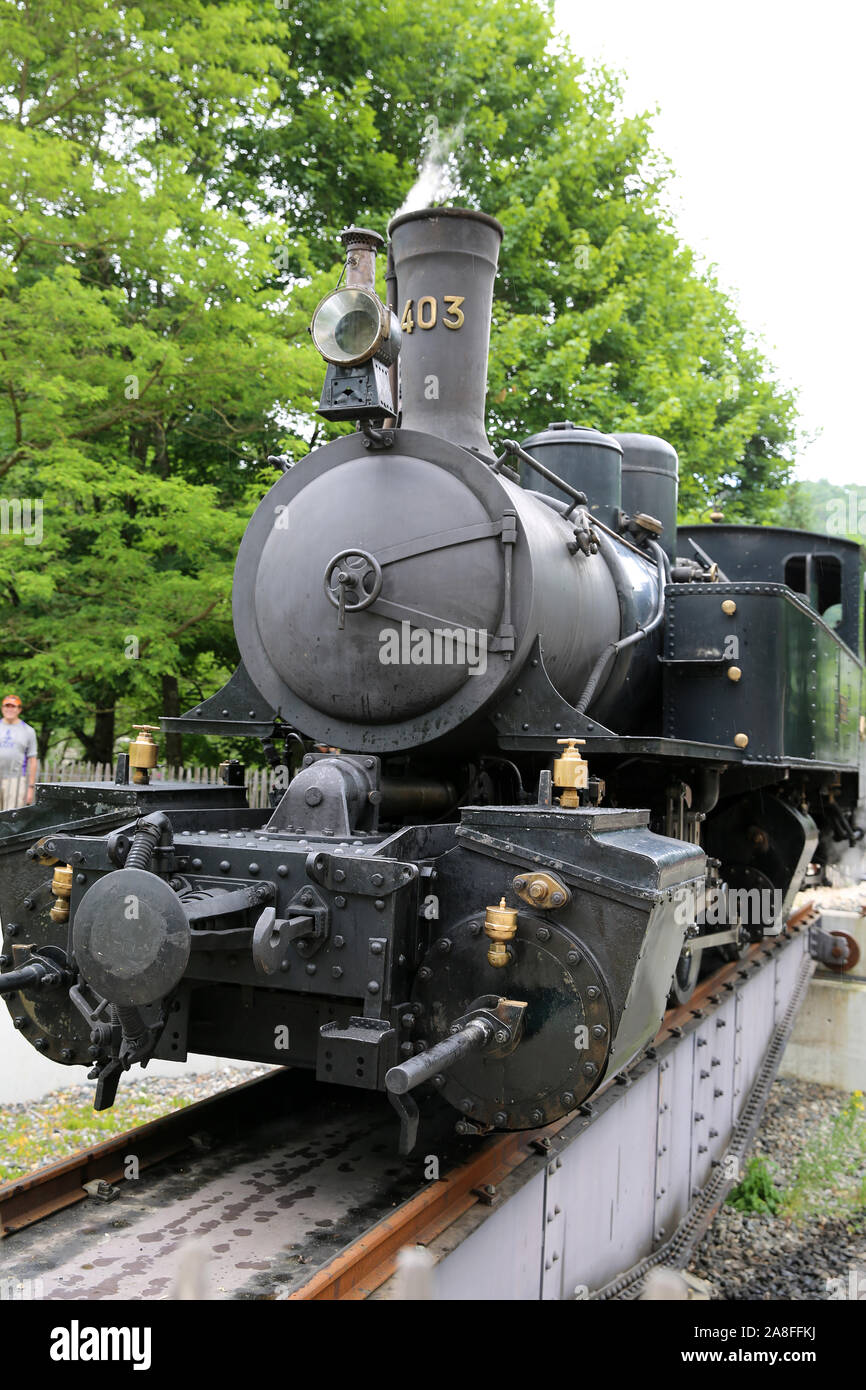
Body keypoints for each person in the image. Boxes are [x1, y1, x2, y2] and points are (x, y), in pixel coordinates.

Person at [0, 694, 38, 809]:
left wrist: (31, 788)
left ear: (19, 709)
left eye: (13, 706)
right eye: (7, 706)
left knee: (10, 818)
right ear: (2, 708)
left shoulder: (28, 731)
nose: (9, 709)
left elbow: (33, 760)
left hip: (15, 780)